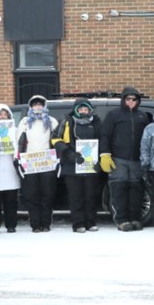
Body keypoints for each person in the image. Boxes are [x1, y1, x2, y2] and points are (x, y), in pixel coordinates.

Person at [99, 87, 149, 232]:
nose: (131, 102)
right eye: (128, 99)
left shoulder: (142, 116)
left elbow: (147, 138)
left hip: (137, 160)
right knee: (119, 190)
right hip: (118, 159)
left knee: (136, 191)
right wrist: (105, 154)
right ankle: (122, 221)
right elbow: (105, 135)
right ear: (123, 100)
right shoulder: (114, 115)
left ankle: (134, 218)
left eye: (134, 99)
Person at [52, 99, 104, 233]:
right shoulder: (67, 121)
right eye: (80, 109)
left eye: (86, 109)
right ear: (76, 110)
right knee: (76, 197)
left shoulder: (96, 123)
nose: (83, 111)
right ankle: (78, 224)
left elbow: (103, 141)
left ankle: (91, 222)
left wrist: (99, 160)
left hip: (90, 166)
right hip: (71, 166)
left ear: (90, 110)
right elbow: (55, 139)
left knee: (90, 196)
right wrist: (69, 154)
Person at [17, 95, 60, 232]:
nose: (37, 107)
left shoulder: (51, 121)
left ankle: (46, 223)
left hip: (47, 163)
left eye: (40, 104)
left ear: (44, 106)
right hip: (30, 163)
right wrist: (19, 160)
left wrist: (58, 159)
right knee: (32, 195)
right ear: (31, 106)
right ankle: (35, 224)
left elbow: (57, 141)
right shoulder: (24, 121)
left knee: (47, 195)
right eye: (35, 105)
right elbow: (19, 141)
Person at [0, 103, 20, 233]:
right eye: (0, 115)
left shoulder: (15, 129)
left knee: (11, 199)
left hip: (10, 166)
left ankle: (11, 225)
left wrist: (16, 155)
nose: (3, 117)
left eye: (5, 114)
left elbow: (19, 145)